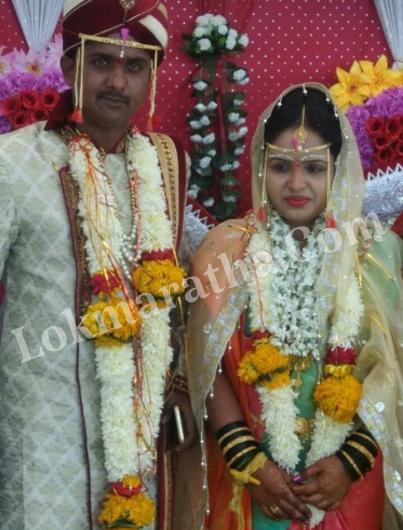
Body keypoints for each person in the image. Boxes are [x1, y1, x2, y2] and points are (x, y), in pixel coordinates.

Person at [0, 1, 196, 529]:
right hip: (42, 427)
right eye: (102, 62)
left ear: (150, 79)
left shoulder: (164, 164)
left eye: (134, 67)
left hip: (135, 427)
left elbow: (180, 284)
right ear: (70, 67)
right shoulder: (13, 162)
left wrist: (178, 382)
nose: (117, 81)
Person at [184, 83, 403, 530]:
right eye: (281, 167)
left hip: (349, 482)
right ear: (262, 167)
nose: (297, 185)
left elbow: (393, 372)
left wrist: (350, 462)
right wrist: (248, 460)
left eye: (314, 168)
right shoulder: (226, 252)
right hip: (250, 484)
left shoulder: (374, 254)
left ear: (336, 169)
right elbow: (204, 367)